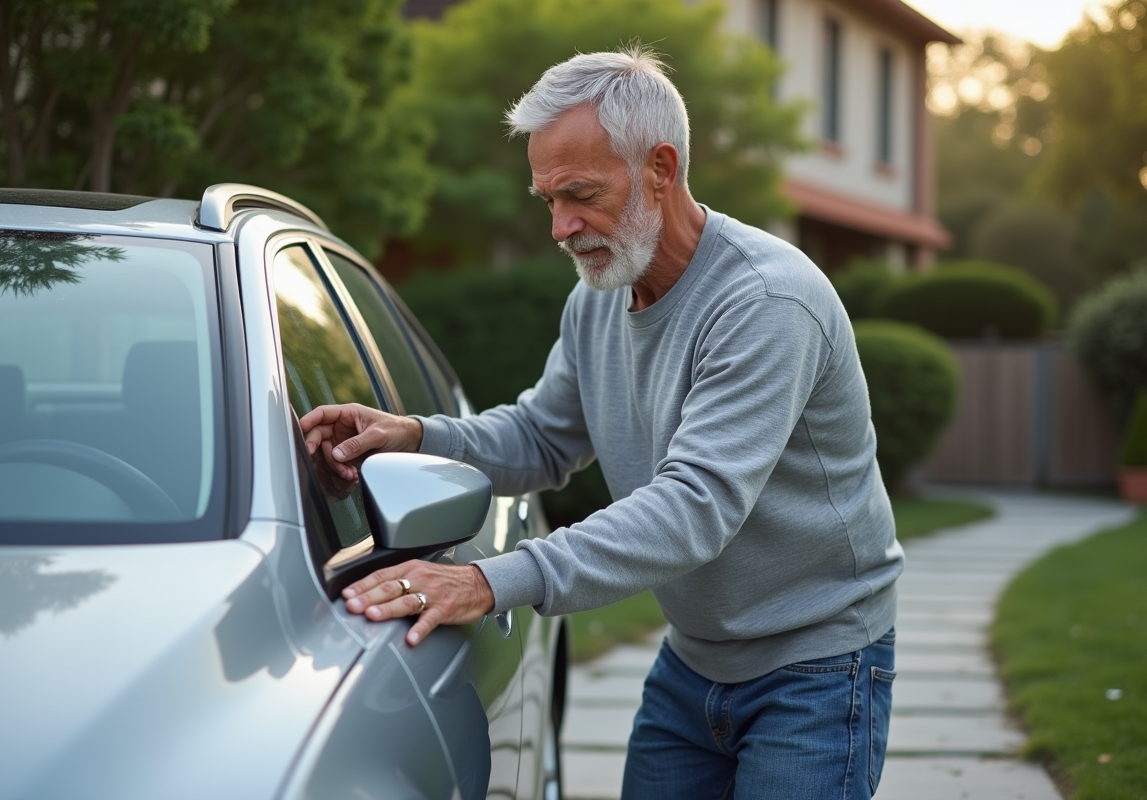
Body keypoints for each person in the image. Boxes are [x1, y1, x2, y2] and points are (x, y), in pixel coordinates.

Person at [300, 46, 903, 800]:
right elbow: (545, 437)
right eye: (546, 199)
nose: (560, 227)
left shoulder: (765, 304)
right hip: (695, 659)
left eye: (579, 194)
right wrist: (418, 435)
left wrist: (492, 581)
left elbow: (695, 507)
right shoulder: (598, 296)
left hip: (816, 667)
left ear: (660, 167)